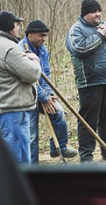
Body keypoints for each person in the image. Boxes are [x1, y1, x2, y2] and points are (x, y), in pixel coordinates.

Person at [66, 0, 106, 163]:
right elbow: (79, 49)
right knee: (88, 120)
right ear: (85, 13)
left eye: (99, 11)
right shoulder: (76, 30)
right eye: (94, 12)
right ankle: (86, 156)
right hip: (90, 81)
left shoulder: (104, 25)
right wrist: (99, 35)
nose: (98, 14)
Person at [0, 10, 42, 164]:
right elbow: (32, 74)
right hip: (13, 113)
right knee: (20, 163)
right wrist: (34, 60)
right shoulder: (8, 48)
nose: (19, 28)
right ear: (8, 27)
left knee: (4, 162)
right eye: (16, 25)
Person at [19, 20, 78, 163]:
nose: (44, 39)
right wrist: (44, 98)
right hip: (27, 96)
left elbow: (46, 74)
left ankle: (59, 147)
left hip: (42, 93)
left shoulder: (43, 49)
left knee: (58, 112)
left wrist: (49, 95)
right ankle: (32, 167)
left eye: (45, 36)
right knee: (32, 135)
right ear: (30, 34)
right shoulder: (21, 50)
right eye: (41, 35)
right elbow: (29, 80)